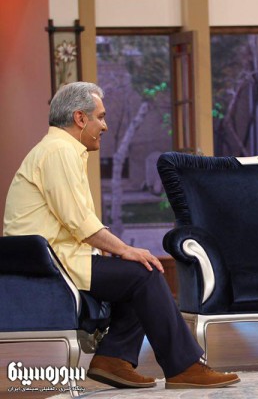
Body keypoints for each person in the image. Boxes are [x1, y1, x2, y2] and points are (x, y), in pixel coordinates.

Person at [3, 82, 240, 389]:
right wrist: (126, 249)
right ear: (80, 118)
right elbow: (80, 222)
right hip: (53, 263)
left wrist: (121, 252)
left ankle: (112, 360)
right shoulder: (58, 151)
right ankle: (184, 367)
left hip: (59, 258)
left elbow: (76, 222)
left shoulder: (59, 150)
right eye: (100, 117)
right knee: (145, 272)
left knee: (139, 270)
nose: (105, 126)